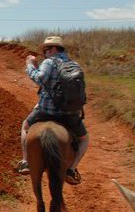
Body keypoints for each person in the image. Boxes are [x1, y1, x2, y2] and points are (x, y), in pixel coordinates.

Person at [16, 36, 89, 185]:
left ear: (54, 49)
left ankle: (25, 162)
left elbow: (39, 79)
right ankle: (72, 169)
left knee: (25, 126)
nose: (45, 53)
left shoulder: (49, 62)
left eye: (47, 49)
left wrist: (30, 65)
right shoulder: (74, 64)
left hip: (46, 110)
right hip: (69, 113)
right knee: (84, 139)